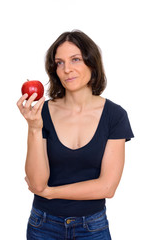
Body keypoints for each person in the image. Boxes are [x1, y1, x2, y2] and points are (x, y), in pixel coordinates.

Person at [17, 30, 134, 240]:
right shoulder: (42, 112)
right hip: (43, 225)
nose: (67, 69)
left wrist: (51, 192)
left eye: (75, 59)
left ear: (92, 63)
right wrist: (34, 128)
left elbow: (107, 187)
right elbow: (36, 184)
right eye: (59, 62)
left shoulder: (115, 115)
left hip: (92, 227)